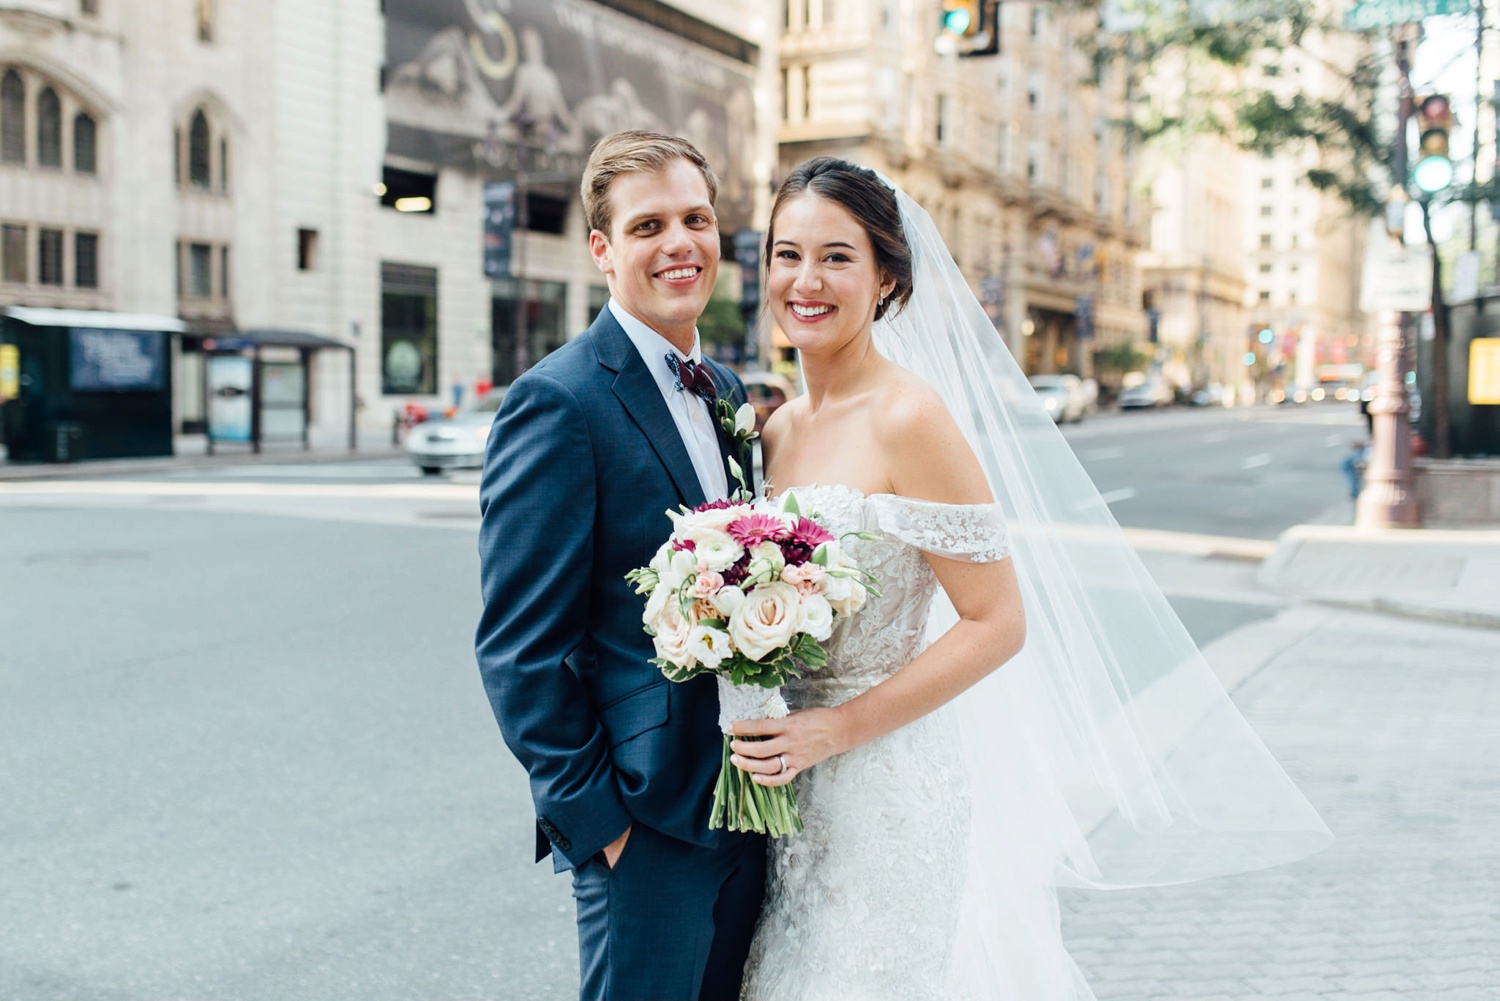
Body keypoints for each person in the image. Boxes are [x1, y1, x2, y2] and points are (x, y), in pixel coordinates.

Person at [727, 157, 1332, 1000]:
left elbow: (997, 621)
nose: (807, 279)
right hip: (792, 787)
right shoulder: (778, 428)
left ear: (886, 280)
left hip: (885, 785)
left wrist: (838, 728)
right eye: (787, 255)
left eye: (837, 257)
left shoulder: (912, 416)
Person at [475, 131, 762, 1001]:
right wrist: (601, 825)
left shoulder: (730, 393)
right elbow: (519, 648)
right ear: (602, 249)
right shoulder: (559, 401)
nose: (680, 243)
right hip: (644, 826)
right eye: (648, 226)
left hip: (748, 808)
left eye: (696, 219)